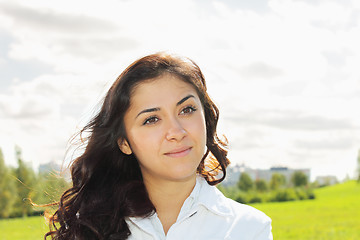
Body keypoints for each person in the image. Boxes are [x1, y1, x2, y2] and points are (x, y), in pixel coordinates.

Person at [45, 52, 273, 240]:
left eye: (187, 110)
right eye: (151, 119)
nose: (176, 132)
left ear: (206, 118)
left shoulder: (249, 229)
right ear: (124, 143)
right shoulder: (90, 229)